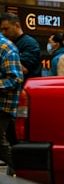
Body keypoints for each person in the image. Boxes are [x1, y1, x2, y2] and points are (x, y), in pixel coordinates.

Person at [0, 34, 24, 174]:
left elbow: (15, 78)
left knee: (2, 146)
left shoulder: (5, 48)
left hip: (4, 105)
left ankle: (27, 173)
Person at [0, 12, 42, 80]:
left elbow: (24, 69)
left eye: (6, 29)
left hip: (26, 87)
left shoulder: (30, 43)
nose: (3, 33)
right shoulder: (6, 44)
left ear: (17, 25)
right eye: (1, 30)